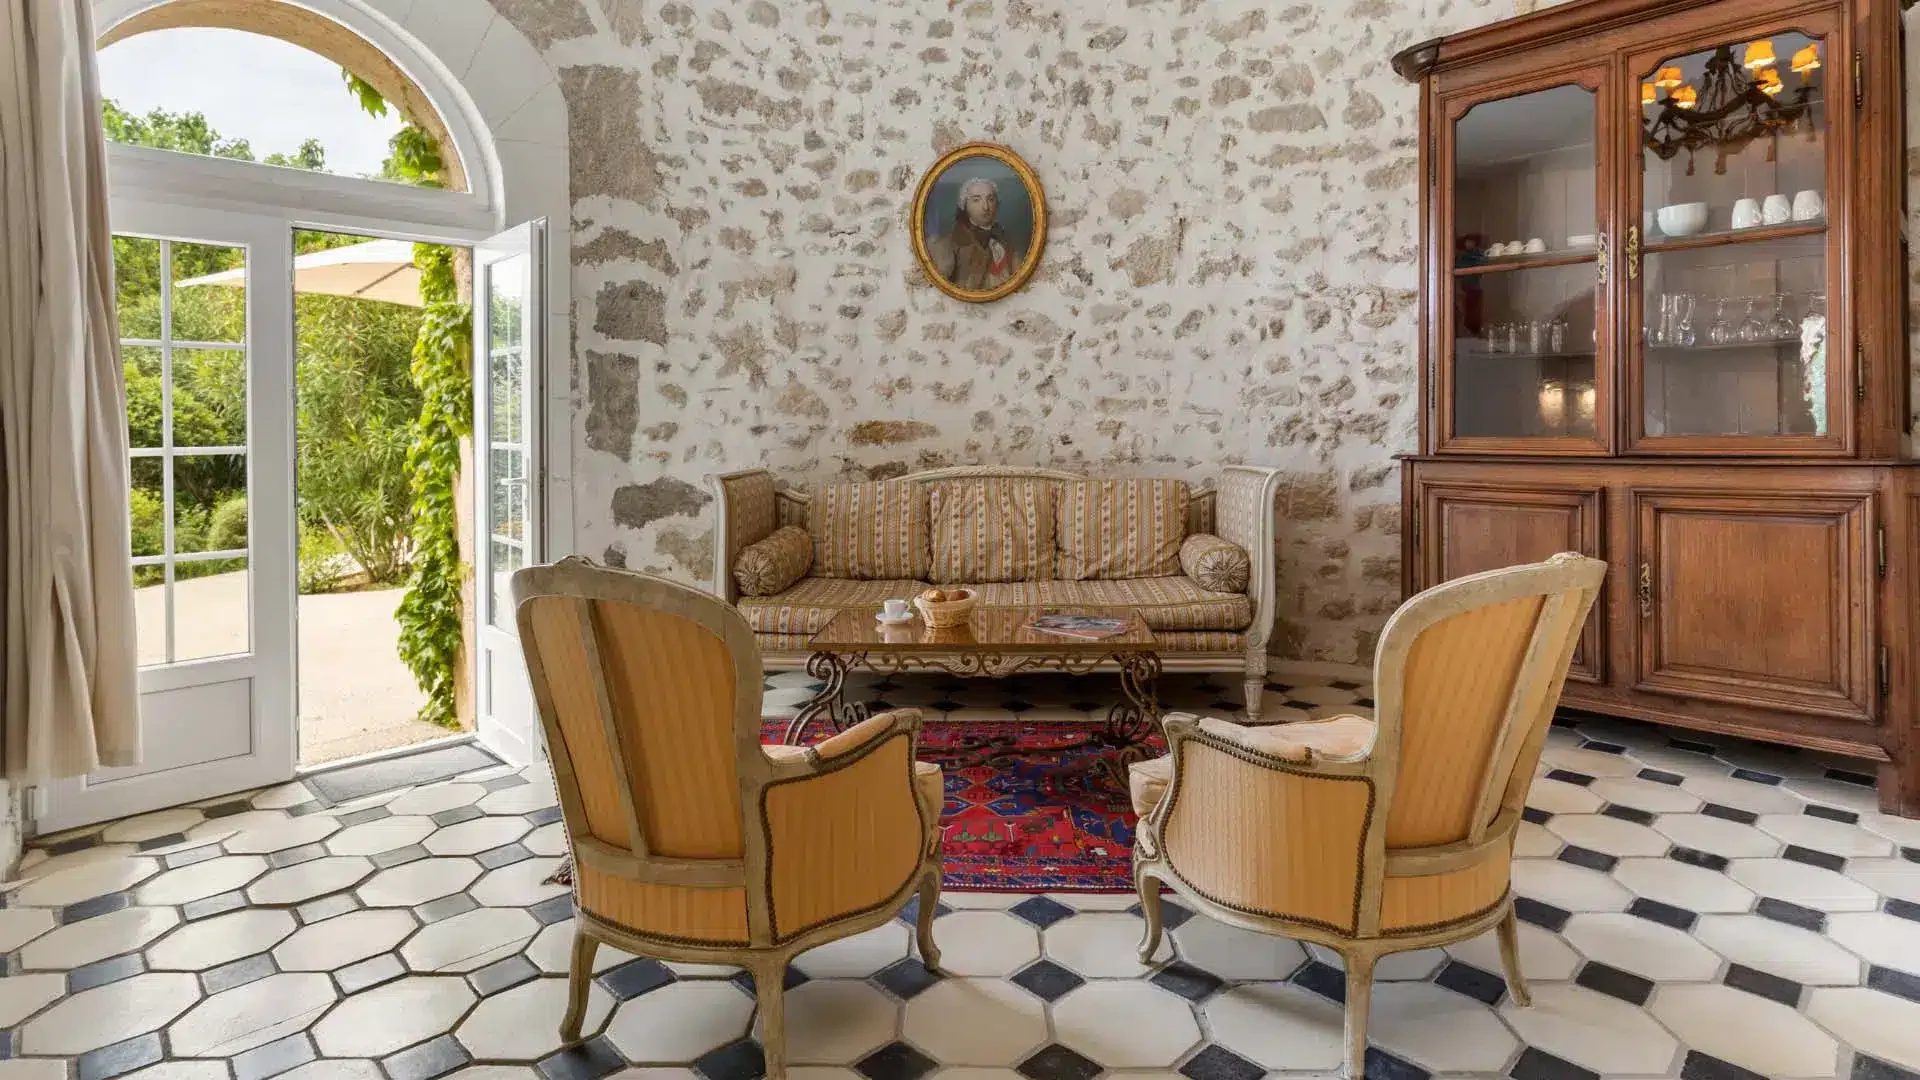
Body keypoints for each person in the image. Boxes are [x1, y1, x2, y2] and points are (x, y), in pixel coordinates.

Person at [926, 176, 1016, 290]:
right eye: (976, 200)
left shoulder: (1007, 241)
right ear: (964, 205)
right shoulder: (947, 244)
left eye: (991, 199)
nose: (985, 207)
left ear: (997, 204)